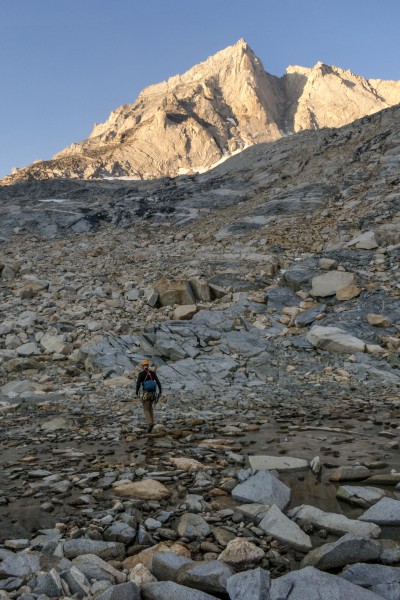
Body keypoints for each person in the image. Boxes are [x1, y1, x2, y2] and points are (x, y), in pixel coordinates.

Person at [136, 359, 162, 432]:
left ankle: (150, 423)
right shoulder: (152, 373)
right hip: (153, 394)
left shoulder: (141, 374)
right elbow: (158, 382)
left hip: (146, 393)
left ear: (142, 366)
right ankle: (152, 422)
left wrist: (136, 392)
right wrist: (160, 392)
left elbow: (138, 384)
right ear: (148, 365)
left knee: (146, 409)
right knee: (150, 408)